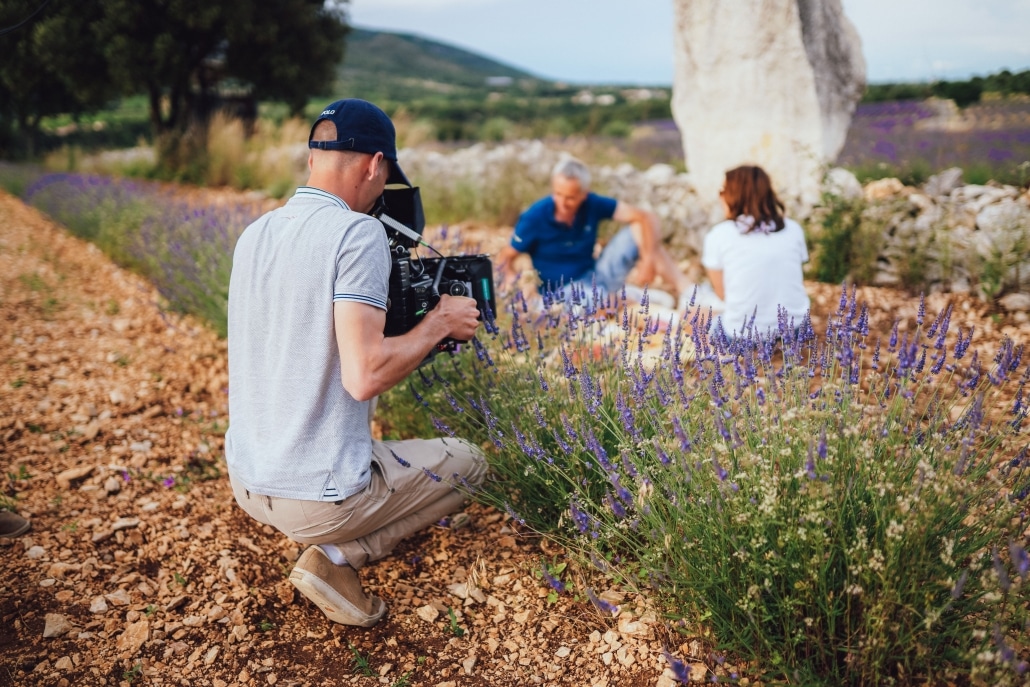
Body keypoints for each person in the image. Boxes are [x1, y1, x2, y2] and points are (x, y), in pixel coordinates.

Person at [225, 98, 487, 628]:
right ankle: (336, 559)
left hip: (248, 480)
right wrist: (438, 322)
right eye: (385, 174)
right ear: (374, 165)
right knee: (470, 462)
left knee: (365, 446)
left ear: (311, 159)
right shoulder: (357, 234)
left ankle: (327, 531)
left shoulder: (256, 233)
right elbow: (364, 375)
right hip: (315, 500)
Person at [496, 157, 692, 307]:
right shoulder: (534, 217)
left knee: (640, 229)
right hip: (561, 292)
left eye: (570, 198)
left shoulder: (592, 203)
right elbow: (505, 257)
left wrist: (648, 260)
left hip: (596, 275)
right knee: (596, 306)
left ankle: (688, 291)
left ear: (584, 194)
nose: (562, 203)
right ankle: (629, 299)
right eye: (558, 194)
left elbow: (645, 217)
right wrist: (512, 282)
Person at [700, 165, 810, 338]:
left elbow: (724, 295)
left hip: (742, 336)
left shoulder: (720, 234)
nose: (720, 197)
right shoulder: (793, 229)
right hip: (797, 331)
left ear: (734, 195)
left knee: (690, 317)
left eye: (723, 191)